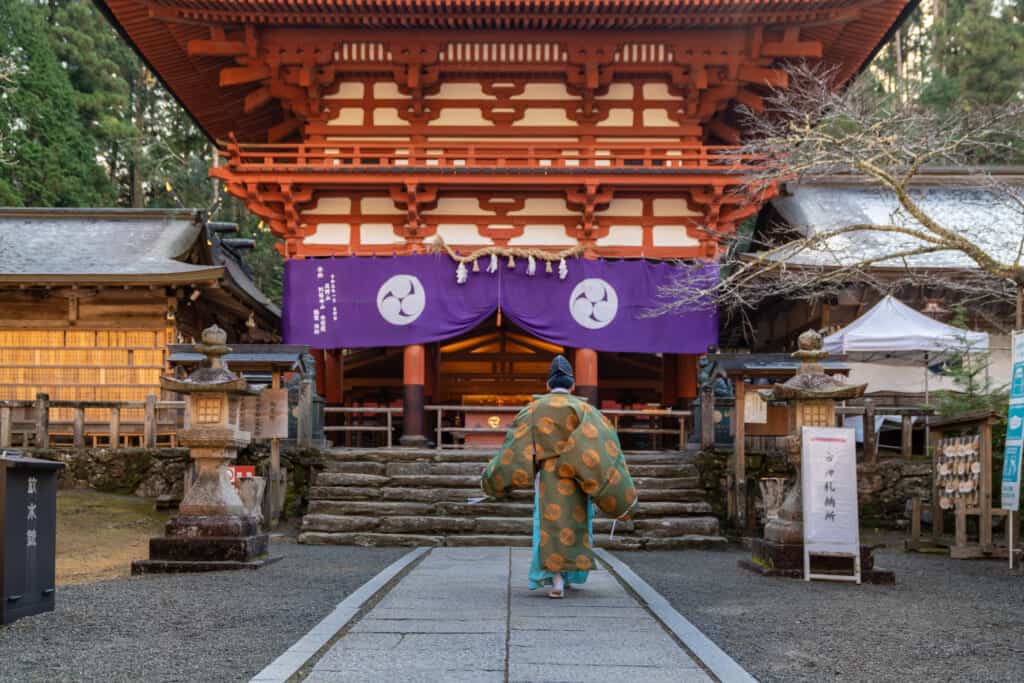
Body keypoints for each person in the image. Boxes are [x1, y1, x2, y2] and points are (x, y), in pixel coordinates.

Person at [481, 355, 637, 598]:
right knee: (576, 524)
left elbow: (515, 448)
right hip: (579, 475)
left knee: (548, 525)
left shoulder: (534, 409)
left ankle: (556, 581)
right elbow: (604, 445)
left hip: (548, 476)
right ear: (573, 385)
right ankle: (571, 576)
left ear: (547, 385)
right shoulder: (586, 410)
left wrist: (493, 476)